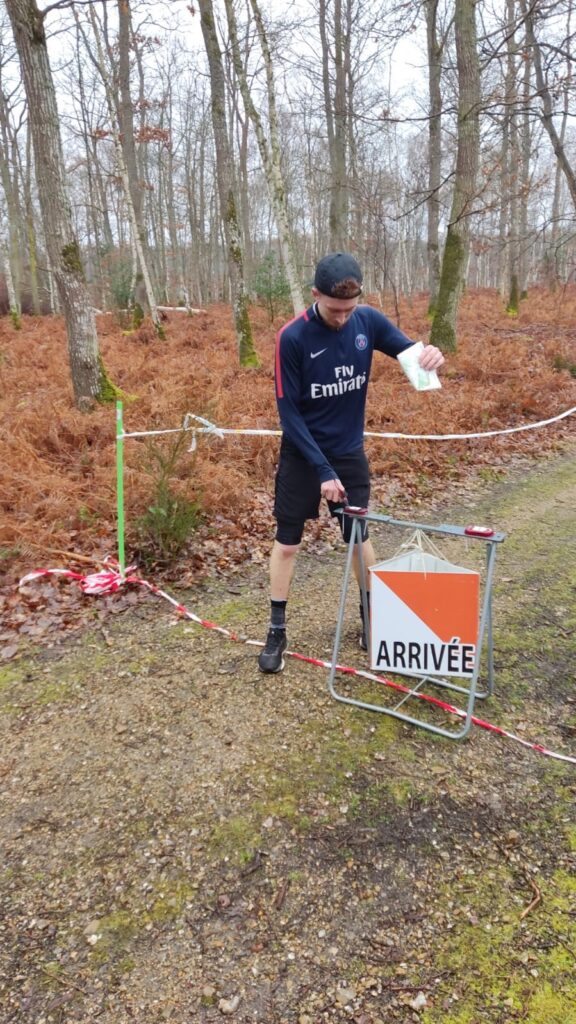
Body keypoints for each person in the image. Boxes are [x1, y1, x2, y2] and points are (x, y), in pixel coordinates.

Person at [258, 252, 445, 673]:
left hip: (348, 453)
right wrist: (322, 471)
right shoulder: (292, 337)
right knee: (287, 543)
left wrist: (431, 356)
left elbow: (411, 354)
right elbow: (289, 414)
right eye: (334, 309)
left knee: (358, 537)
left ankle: (371, 619)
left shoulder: (367, 321)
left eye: (349, 309)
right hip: (303, 453)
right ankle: (276, 630)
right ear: (315, 295)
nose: (342, 318)